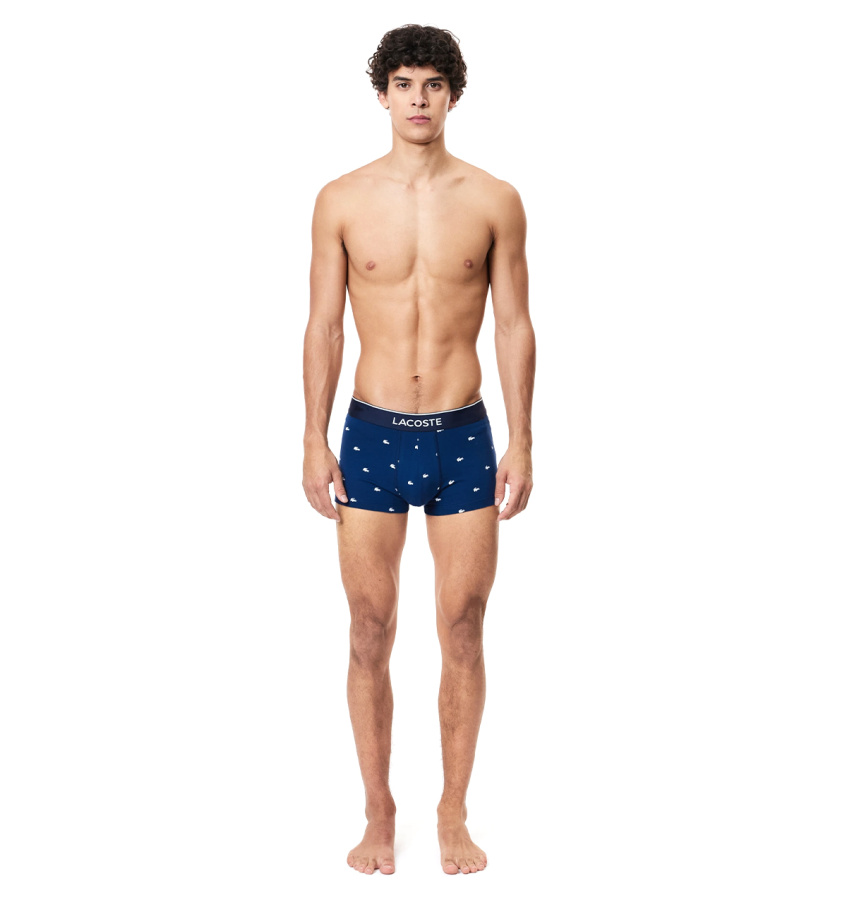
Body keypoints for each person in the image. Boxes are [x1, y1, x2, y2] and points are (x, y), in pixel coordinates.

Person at [301, 23, 535, 876]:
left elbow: (513, 325)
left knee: (462, 626)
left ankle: (451, 812)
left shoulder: (494, 199)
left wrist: (523, 440)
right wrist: (311, 436)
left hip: (462, 436)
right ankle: (378, 811)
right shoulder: (340, 198)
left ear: (453, 95)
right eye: (403, 83)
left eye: (433, 84)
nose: (418, 99)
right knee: (368, 629)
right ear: (382, 94)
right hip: (368, 434)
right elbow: (324, 326)